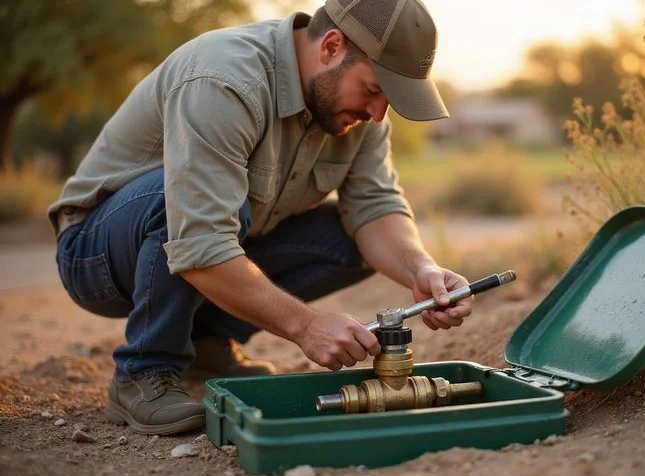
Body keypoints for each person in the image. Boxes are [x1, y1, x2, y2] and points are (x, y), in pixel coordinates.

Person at [47, 0, 472, 436]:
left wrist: (421, 270)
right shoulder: (224, 78)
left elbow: (375, 207)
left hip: (208, 241)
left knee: (346, 239)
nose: (379, 113)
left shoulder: (359, 114)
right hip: (97, 256)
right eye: (374, 90)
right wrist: (306, 327)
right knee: (179, 199)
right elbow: (201, 238)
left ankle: (207, 343)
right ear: (330, 46)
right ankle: (143, 372)